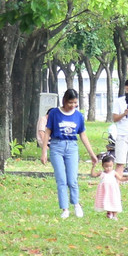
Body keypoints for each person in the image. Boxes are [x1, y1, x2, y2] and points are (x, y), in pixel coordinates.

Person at [41, 88, 98, 218]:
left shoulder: (78, 115)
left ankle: (76, 204)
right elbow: (47, 132)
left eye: (75, 103)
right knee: (61, 179)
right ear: (64, 101)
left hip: (72, 147)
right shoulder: (55, 113)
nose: (72, 105)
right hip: (56, 146)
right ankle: (65, 208)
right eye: (70, 102)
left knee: (72, 179)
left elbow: (83, 135)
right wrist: (44, 151)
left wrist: (92, 154)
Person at [94, 152, 122, 220]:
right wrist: (93, 167)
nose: (108, 168)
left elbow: (120, 178)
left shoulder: (114, 173)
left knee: (114, 201)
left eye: (110, 166)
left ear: (113, 165)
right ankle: (109, 213)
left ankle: (115, 215)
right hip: (105, 191)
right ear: (103, 165)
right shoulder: (102, 173)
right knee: (107, 201)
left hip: (113, 191)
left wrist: (127, 178)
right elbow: (93, 175)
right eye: (106, 166)